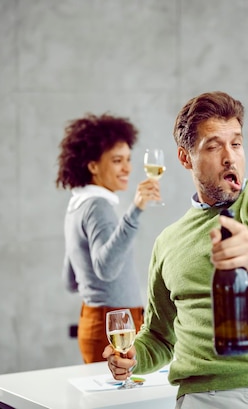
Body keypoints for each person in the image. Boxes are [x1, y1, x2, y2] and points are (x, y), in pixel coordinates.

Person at [102, 91, 248, 409]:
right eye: (213, 145)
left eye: (235, 143)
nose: (230, 157)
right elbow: (159, 337)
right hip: (206, 399)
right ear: (185, 158)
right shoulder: (168, 242)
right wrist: (132, 357)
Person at [56, 113, 161, 363]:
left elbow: (70, 280)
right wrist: (135, 209)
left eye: (127, 159)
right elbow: (106, 269)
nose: (127, 168)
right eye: (117, 160)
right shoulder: (97, 206)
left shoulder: (77, 205)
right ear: (92, 166)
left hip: (94, 321)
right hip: (114, 326)